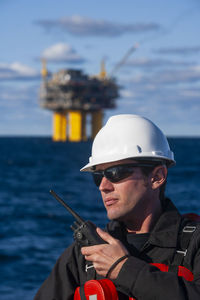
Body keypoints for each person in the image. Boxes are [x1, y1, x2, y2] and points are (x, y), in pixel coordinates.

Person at [34, 114, 200, 300]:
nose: (103, 186)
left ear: (157, 177)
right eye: (98, 176)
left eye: (116, 173)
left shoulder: (194, 244)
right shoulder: (84, 256)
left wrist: (124, 269)